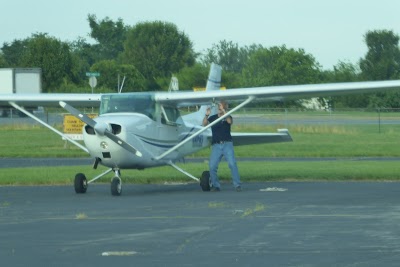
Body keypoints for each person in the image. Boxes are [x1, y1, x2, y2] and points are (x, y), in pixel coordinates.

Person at [203, 101, 241, 192]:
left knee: (232, 164)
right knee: (212, 166)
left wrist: (224, 112)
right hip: (216, 145)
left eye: (220, 106)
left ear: (224, 107)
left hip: (227, 144)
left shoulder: (228, 117)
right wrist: (206, 115)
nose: (219, 108)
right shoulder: (213, 118)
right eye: (218, 106)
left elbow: (229, 121)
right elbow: (204, 124)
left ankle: (237, 185)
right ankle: (216, 186)